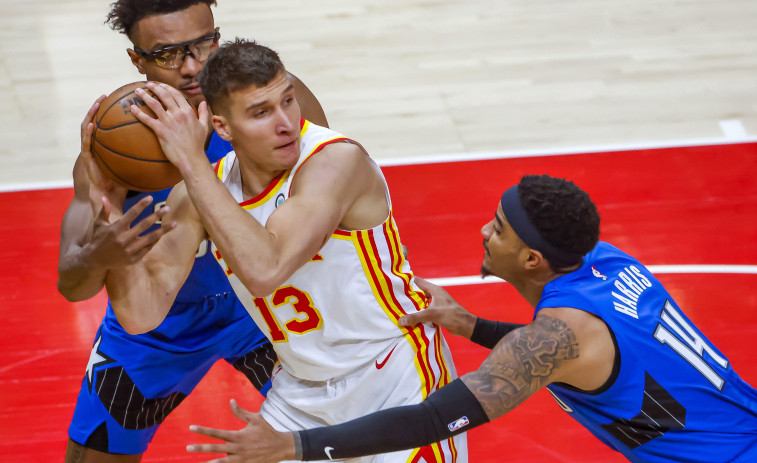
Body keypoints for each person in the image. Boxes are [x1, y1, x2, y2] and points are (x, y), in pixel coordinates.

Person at [186, 174, 757, 463]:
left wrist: (295, 447)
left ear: (533, 260)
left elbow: (434, 420)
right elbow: (576, 356)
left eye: (498, 229)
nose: (484, 231)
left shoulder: (564, 331)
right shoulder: (607, 262)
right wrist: (470, 325)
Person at [84, 38, 466, 463]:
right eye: (261, 112)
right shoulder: (200, 193)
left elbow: (267, 269)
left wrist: (189, 160)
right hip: (300, 392)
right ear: (223, 128)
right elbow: (141, 313)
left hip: (393, 381)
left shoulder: (334, 162)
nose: (286, 122)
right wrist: (107, 203)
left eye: (287, 100)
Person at [59, 1, 328, 461]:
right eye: (167, 54)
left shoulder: (272, 104)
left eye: (203, 45)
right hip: (158, 327)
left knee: (348, 439)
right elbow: (71, 284)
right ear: (136, 60)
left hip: (261, 310)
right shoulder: (114, 145)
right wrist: (98, 256)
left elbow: (329, 205)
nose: (190, 67)